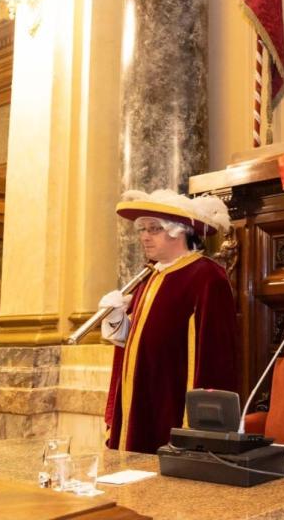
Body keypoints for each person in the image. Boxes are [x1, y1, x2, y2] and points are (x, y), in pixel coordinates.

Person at [101, 189, 240, 454]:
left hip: (172, 402)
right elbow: (137, 341)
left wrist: (202, 426)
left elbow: (216, 356)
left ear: (179, 230)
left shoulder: (207, 276)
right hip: (141, 395)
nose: (144, 236)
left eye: (153, 229)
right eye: (142, 229)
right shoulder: (150, 276)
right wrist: (116, 318)